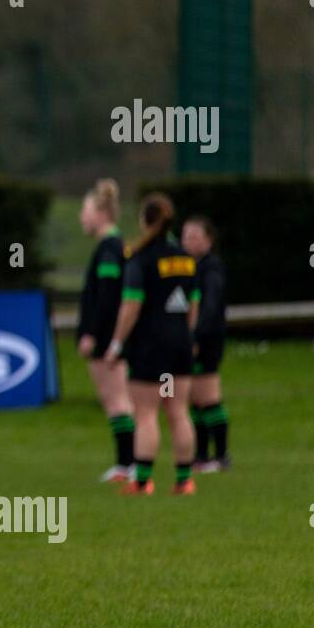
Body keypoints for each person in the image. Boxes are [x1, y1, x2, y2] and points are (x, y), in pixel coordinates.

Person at [103, 193, 199, 496]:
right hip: (179, 345)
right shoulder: (185, 259)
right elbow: (193, 304)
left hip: (150, 346)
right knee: (178, 412)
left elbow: (131, 306)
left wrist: (116, 344)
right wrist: (187, 335)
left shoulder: (141, 259)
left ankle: (142, 482)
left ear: (145, 221)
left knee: (145, 414)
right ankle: (185, 481)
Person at [76, 179, 136, 483]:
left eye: (86, 210)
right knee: (113, 398)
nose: (82, 217)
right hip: (108, 337)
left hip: (106, 338)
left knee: (117, 399)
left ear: (101, 213)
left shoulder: (110, 249)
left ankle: (128, 464)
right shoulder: (109, 247)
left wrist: (94, 334)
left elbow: (108, 297)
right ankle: (128, 463)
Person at [182, 215, 231, 474]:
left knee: (209, 397)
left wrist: (197, 337)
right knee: (194, 399)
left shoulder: (211, 269)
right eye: (185, 236)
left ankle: (221, 455)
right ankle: (201, 455)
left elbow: (209, 308)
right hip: (194, 339)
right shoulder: (188, 267)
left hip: (207, 340)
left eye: (195, 236)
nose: (188, 241)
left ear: (209, 240)